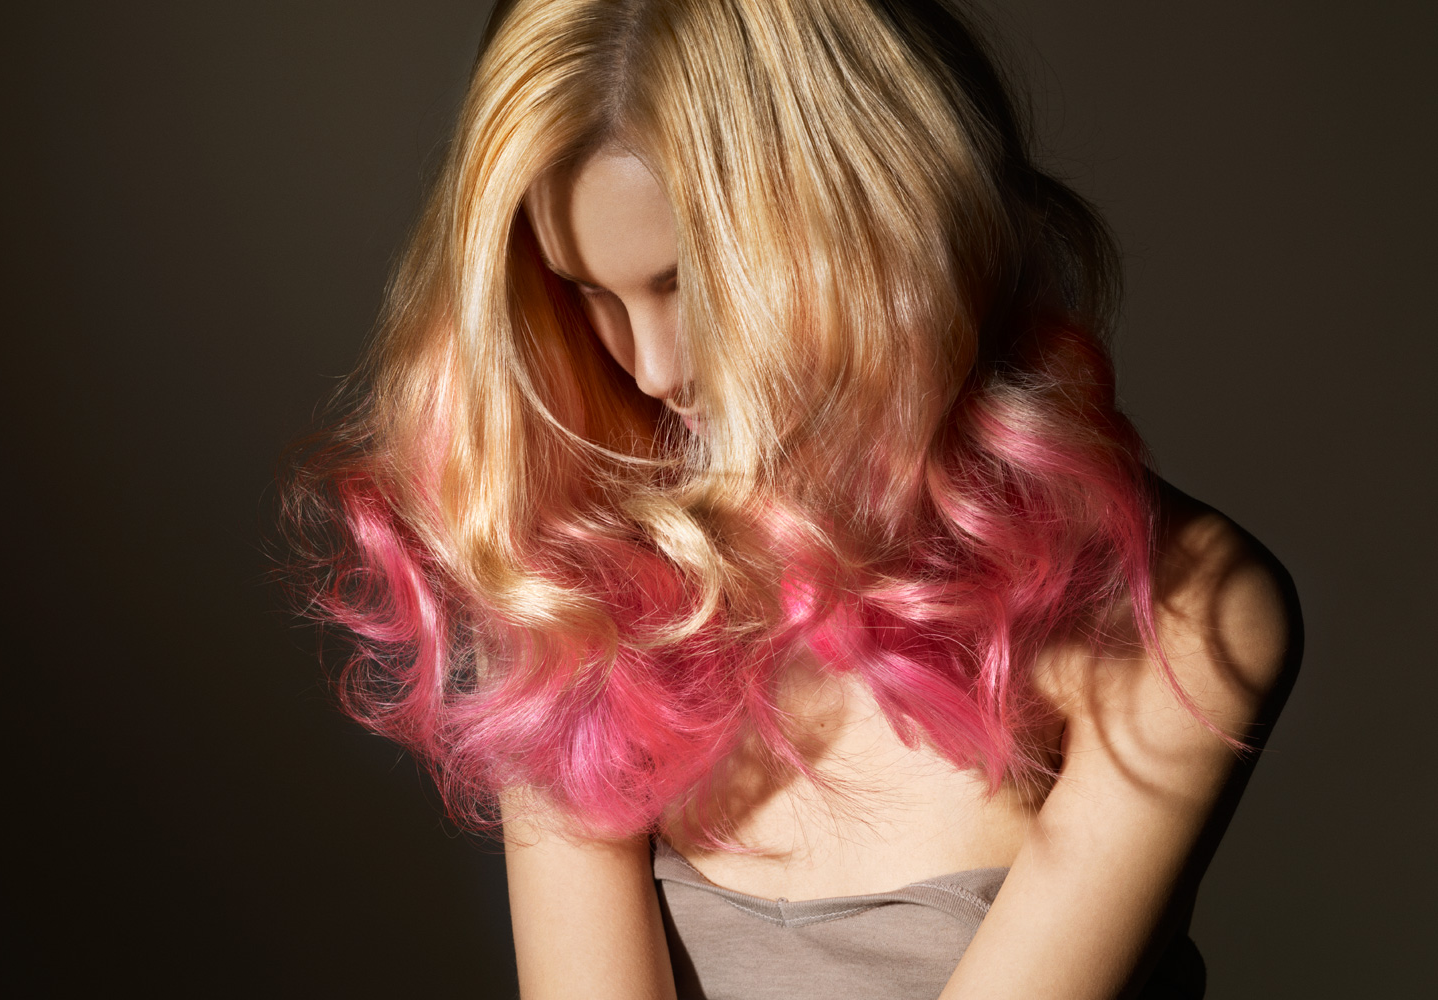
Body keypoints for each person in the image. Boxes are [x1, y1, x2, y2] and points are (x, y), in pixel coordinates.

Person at [283, 1, 1301, 996]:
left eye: (687, 284)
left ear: (868, 225)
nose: (652, 367)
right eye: (589, 291)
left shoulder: (1181, 616)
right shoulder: (569, 580)